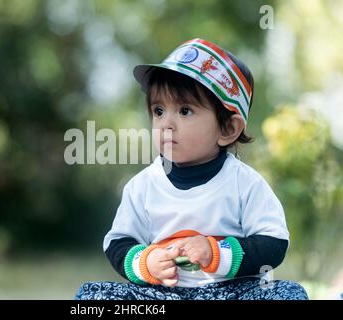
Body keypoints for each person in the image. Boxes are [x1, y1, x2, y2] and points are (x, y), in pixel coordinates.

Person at [75, 38, 308, 300]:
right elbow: (118, 243)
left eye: (185, 111)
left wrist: (216, 253)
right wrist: (146, 262)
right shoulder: (143, 186)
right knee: (92, 296)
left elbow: (273, 244)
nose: (166, 124)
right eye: (159, 110)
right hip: (164, 294)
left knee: (288, 293)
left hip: (232, 292)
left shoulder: (245, 184)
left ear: (228, 129)